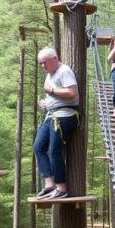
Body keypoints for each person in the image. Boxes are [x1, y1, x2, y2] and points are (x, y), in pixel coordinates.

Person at [32, 47, 79, 200]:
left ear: (55, 58)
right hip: (51, 115)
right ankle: (49, 184)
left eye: (44, 63)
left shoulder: (64, 71)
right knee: (38, 147)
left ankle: (61, 188)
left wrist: (51, 91)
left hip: (65, 115)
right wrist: (45, 103)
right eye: (40, 64)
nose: (43, 66)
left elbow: (71, 92)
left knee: (54, 151)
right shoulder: (49, 75)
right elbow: (52, 95)